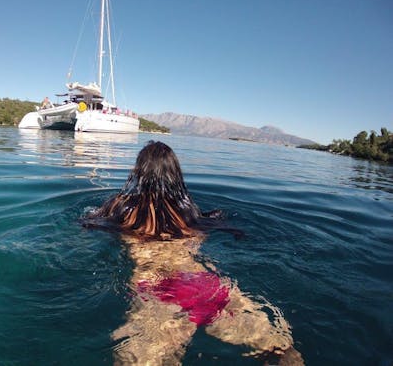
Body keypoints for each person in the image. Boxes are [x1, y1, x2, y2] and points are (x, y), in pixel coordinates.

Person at [83, 141, 304, 366]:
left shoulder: (120, 205)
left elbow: (90, 222)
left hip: (156, 286)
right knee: (278, 350)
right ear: (175, 175)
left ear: (138, 172)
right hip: (204, 283)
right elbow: (215, 221)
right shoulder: (188, 209)